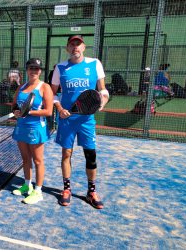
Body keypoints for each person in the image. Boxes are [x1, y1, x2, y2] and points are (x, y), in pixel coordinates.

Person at [51, 35, 109, 209]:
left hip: (87, 120)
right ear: (67, 48)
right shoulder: (60, 67)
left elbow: (103, 90)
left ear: (84, 47)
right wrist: (60, 109)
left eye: (78, 44)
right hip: (67, 119)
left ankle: (91, 192)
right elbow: (52, 93)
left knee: (90, 155)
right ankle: (66, 189)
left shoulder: (94, 64)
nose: (75, 47)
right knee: (66, 154)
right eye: (72, 44)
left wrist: (103, 101)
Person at [11, 58, 53, 204]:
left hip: (36, 128)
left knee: (38, 160)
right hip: (21, 127)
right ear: (27, 70)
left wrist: (28, 112)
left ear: (40, 71)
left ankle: (38, 191)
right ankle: (27, 185)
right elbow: (15, 105)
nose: (34, 71)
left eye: (36, 68)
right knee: (25, 159)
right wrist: (17, 112)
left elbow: (48, 111)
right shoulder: (21, 87)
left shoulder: (44, 87)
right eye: (31, 68)